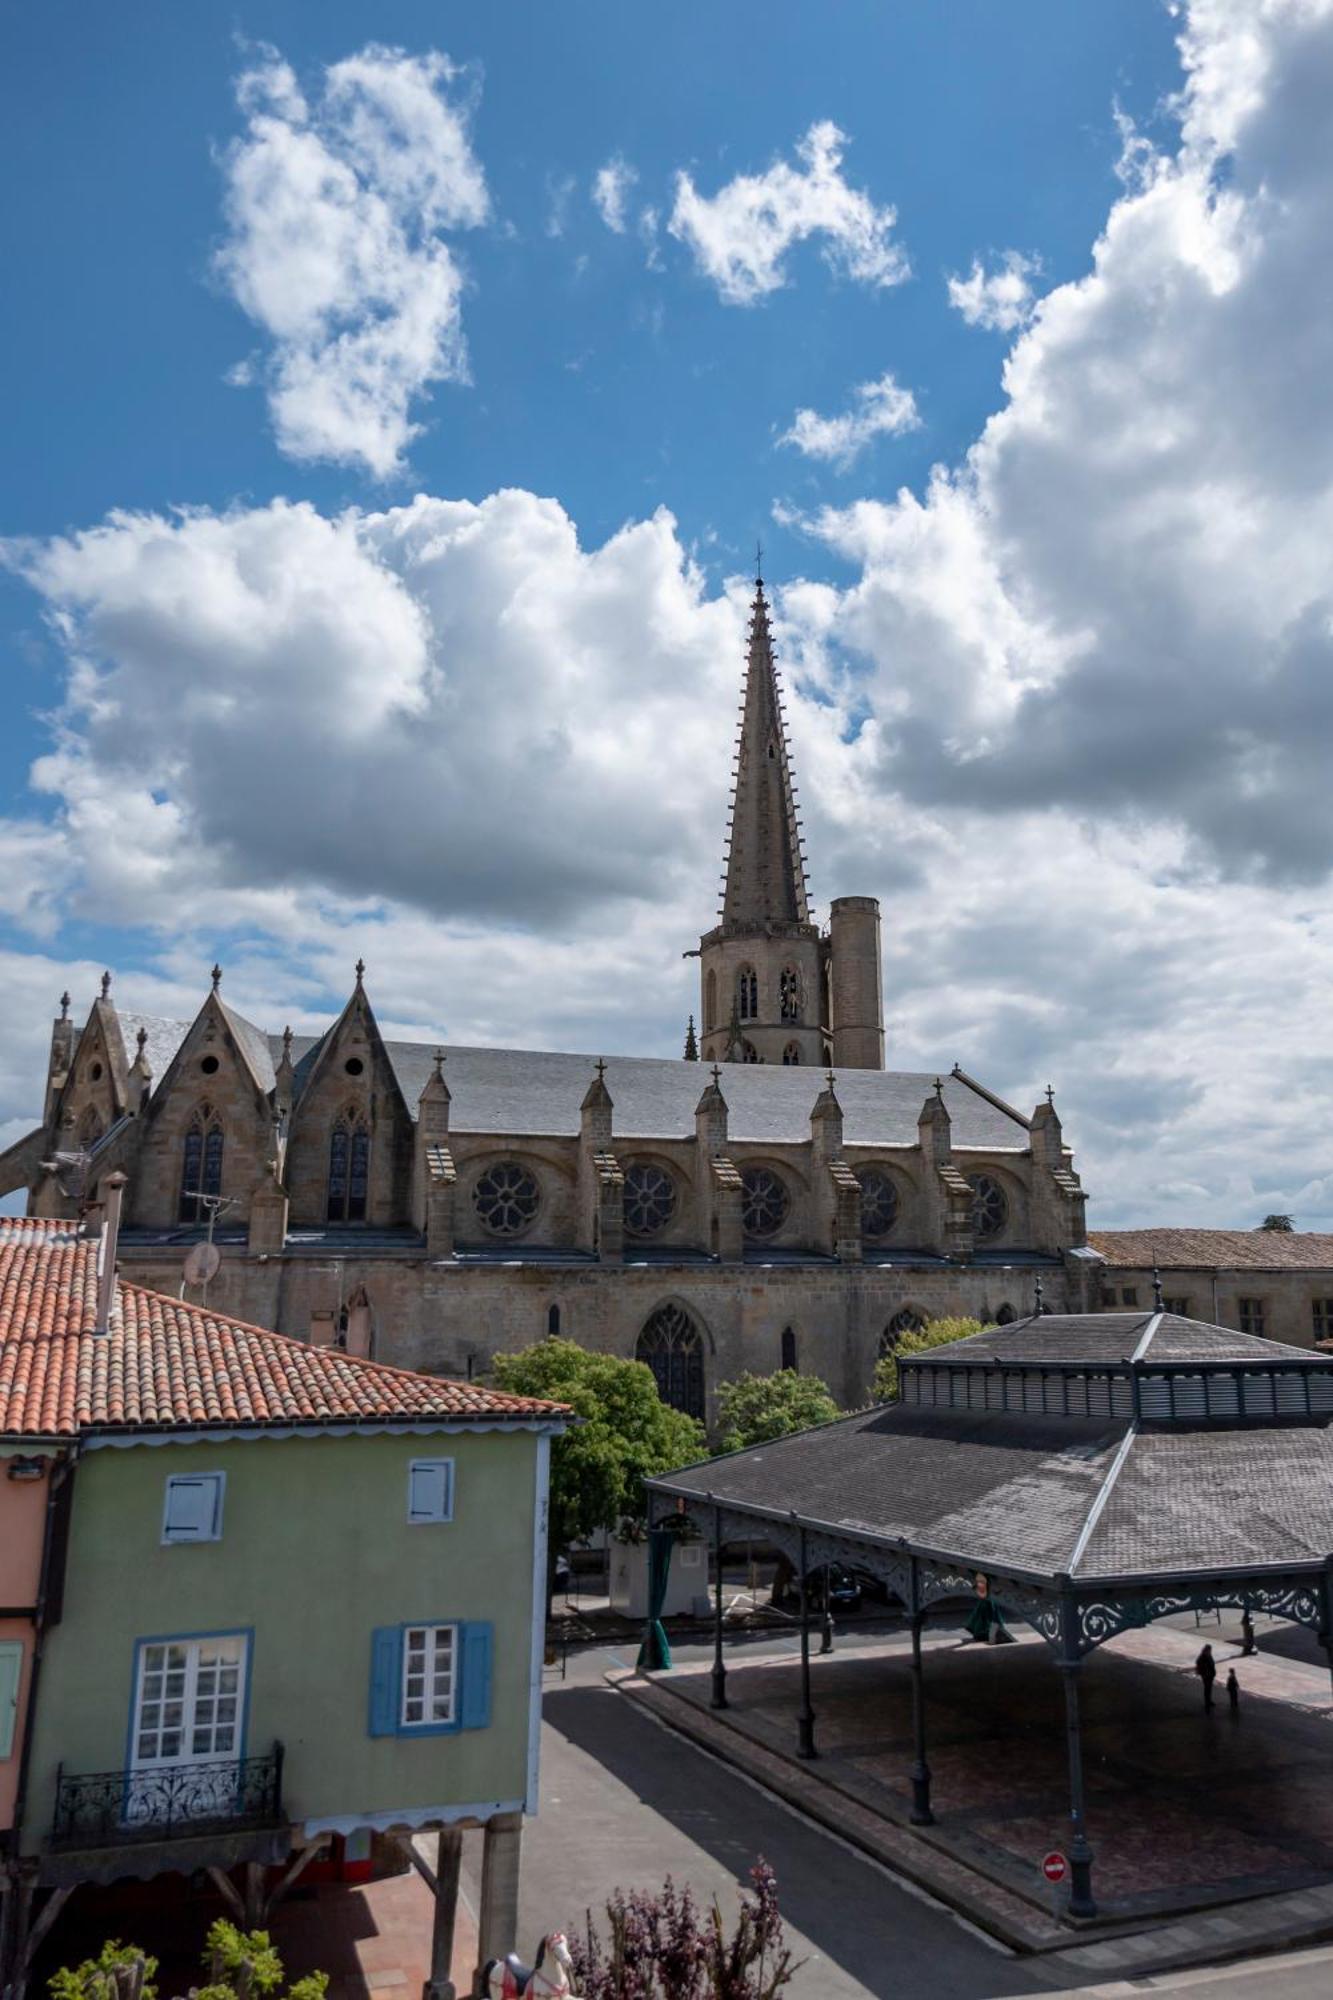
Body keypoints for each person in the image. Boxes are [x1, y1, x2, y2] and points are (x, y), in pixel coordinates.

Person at [1195, 1642, 1218, 1711]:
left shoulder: (1208, 1655)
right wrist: (1203, 1671)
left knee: (1209, 1688)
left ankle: (1209, 1701)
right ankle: (1207, 1702)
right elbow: (1199, 1663)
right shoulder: (1202, 1656)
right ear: (1206, 1649)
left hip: (1210, 1675)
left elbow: (1211, 1664)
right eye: (1209, 1650)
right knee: (1207, 1688)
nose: (1210, 1651)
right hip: (1206, 1675)